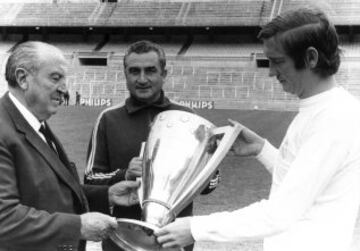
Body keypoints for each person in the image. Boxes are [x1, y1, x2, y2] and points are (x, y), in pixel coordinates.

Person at [154, 8, 360, 251]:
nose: (271, 72)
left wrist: (195, 228)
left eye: (278, 61)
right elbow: (299, 180)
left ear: (311, 58)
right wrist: (261, 149)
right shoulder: (320, 110)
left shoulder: (334, 119)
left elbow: (280, 213)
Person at [0, 41, 140, 251]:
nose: (65, 89)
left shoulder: (37, 125)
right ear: (22, 78)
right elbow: (5, 220)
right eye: (56, 78)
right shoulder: (4, 130)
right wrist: (78, 226)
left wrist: (107, 195)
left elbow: (53, 191)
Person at [84, 40, 220, 251]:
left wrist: (196, 171)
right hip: (122, 239)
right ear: (125, 74)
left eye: (150, 71)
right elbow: (91, 178)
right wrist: (125, 175)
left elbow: (211, 185)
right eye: (134, 71)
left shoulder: (188, 118)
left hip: (174, 241)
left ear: (163, 74)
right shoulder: (108, 119)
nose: (142, 79)